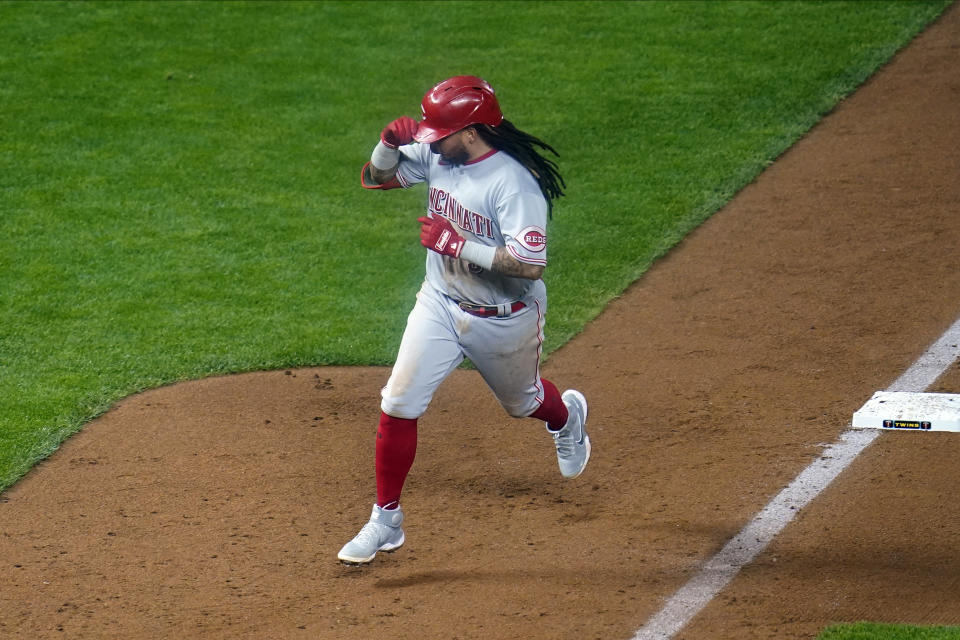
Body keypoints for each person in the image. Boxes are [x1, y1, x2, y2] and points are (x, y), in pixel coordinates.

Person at [338, 75, 591, 565]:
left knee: (525, 403)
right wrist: (388, 143)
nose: (430, 140)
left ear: (472, 131)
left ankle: (567, 418)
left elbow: (531, 264)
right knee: (399, 402)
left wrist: (459, 245)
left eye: (441, 132)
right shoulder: (441, 153)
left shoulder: (514, 184)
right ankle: (385, 520)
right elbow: (376, 177)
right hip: (439, 301)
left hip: (505, 315)